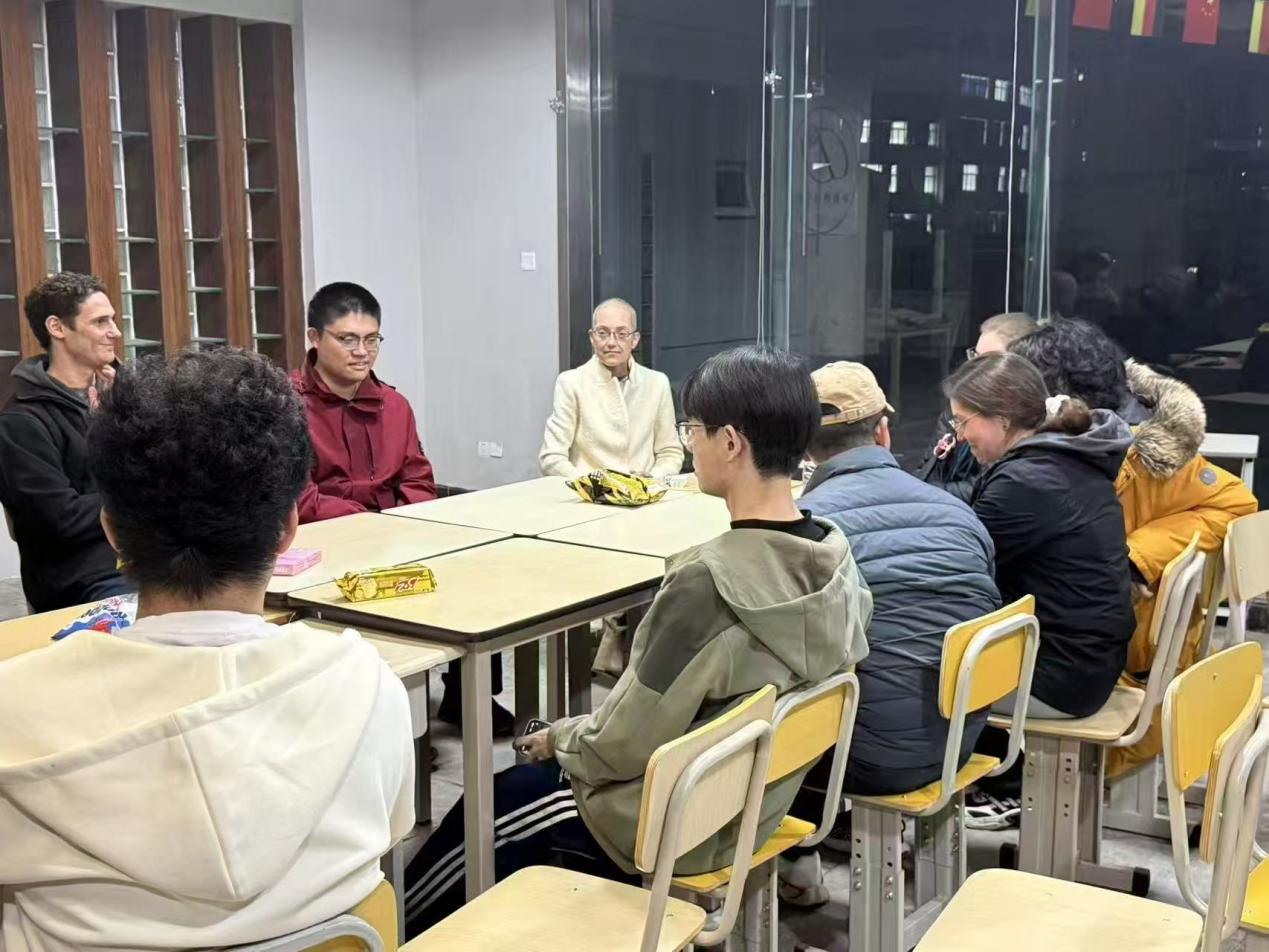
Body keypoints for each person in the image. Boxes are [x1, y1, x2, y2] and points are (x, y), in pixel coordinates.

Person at [403, 345, 872, 937]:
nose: (689, 443)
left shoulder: (709, 583)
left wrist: (558, 737)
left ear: (731, 442)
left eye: (694, 429)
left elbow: (620, 745)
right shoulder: (832, 555)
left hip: (665, 819)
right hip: (756, 801)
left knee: (489, 812)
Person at [0, 350, 414, 950]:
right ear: (288, 528)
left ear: (111, 529)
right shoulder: (367, 684)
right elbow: (390, 832)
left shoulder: (14, 708)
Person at [779, 362, 1000, 906]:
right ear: (883, 431)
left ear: (805, 448)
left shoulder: (804, 527)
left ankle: (789, 866)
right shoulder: (959, 513)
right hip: (963, 736)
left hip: (864, 759)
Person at [1011, 319, 1258, 777]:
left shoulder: (1144, 454)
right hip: (1095, 657)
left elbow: (1236, 505)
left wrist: (1134, 558)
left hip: (1115, 672)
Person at [944, 352, 1136, 827]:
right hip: (1091, 661)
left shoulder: (1027, 481)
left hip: (1060, 678)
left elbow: (957, 566)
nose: (960, 435)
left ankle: (944, 806)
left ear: (1003, 420)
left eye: (964, 421)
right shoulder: (1064, 456)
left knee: (909, 679)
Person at [0, 272, 129, 612]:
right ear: (57, 328)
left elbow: (171, 468)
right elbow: (61, 520)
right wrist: (142, 496)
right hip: (86, 576)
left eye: (113, 320)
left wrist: (126, 407)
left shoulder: (124, 395)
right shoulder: (20, 422)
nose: (115, 332)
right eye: (100, 321)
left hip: (154, 557)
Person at [292, 281, 436, 521]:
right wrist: (370, 522)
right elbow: (297, 498)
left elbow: (418, 482)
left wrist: (403, 524)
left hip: (395, 531)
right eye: (347, 339)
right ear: (314, 337)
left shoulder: (395, 405)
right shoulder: (285, 405)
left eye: (371, 339)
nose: (361, 352)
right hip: (323, 533)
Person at [539, 297, 683, 480]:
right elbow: (551, 457)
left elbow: (670, 452)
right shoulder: (571, 383)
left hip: (644, 493)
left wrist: (651, 480)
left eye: (622, 334)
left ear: (635, 339)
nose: (611, 342)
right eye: (603, 333)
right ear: (592, 337)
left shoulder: (656, 383)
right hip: (588, 493)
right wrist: (592, 485)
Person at [916, 312, 1037, 501]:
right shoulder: (960, 404)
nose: (972, 368)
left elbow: (988, 489)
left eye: (987, 362)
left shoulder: (1025, 421)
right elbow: (928, 465)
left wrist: (920, 494)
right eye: (974, 356)